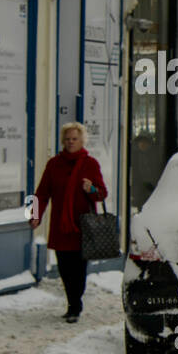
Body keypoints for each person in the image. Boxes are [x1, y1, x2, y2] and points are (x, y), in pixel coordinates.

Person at [31, 122, 108, 322]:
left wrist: (91, 189)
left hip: (83, 226)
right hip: (61, 226)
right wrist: (34, 214)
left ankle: (75, 305)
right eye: (67, 139)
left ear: (82, 140)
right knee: (65, 268)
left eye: (74, 139)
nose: (70, 142)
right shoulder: (54, 164)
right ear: (62, 141)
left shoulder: (90, 164)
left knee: (78, 269)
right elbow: (41, 192)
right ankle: (72, 302)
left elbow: (102, 194)